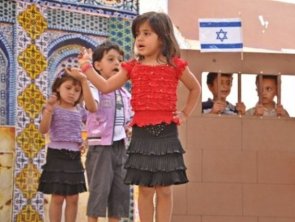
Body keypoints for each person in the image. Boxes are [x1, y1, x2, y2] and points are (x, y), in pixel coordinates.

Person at [69, 11, 201, 222]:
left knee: (165, 190)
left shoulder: (175, 65)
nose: (139, 38)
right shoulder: (132, 67)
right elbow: (105, 86)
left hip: (166, 132)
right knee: (146, 189)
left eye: (147, 33)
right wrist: (86, 67)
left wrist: (185, 113)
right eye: (137, 34)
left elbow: (195, 88)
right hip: (141, 134)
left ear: (163, 37)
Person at [38, 69, 97, 222]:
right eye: (68, 88)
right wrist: (49, 109)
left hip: (74, 156)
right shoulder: (52, 107)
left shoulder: (80, 110)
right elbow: (43, 130)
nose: (72, 93)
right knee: (57, 197)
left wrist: (86, 140)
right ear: (58, 87)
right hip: (56, 155)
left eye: (77, 90)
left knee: (73, 198)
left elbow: (93, 125)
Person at [85, 40, 132, 222]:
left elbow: (130, 117)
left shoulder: (125, 93)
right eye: (111, 59)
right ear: (97, 65)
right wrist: (84, 80)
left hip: (121, 148)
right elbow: (91, 106)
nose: (117, 64)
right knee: (99, 192)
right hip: (101, 148)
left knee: (119, 196)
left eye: (119, 61)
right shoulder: (93, 87)